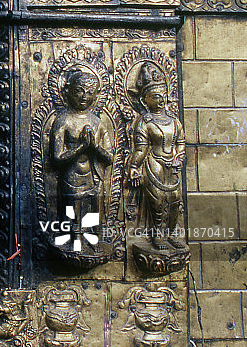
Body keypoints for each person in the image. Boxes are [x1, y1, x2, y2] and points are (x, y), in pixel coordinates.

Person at [51, 69, 113, 244]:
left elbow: (109, 157)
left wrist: (94, 147)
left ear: (96, 95)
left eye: (90, 92)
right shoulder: (64, 120)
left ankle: (93, 240)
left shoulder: (97, 122)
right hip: (72, 177)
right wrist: (80, 148)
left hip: (93, 176)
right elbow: (57, 157)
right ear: (68, 91)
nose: (84, 96)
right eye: (79, 90)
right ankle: (73, 239)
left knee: (93, 209)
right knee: (73, 211)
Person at [128, 62, 185, 250]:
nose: (161, 100)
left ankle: (172, 232)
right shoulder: (145, 122)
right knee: (158, 200)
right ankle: (157, 234)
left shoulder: (174, 120)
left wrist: (179, 157)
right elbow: (140, 149)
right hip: (154, 164)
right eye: (156, 96)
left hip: (172, 163)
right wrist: (134, 167)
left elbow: (180, 142)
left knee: (175, 198)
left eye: (163, 96)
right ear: (145, 100)